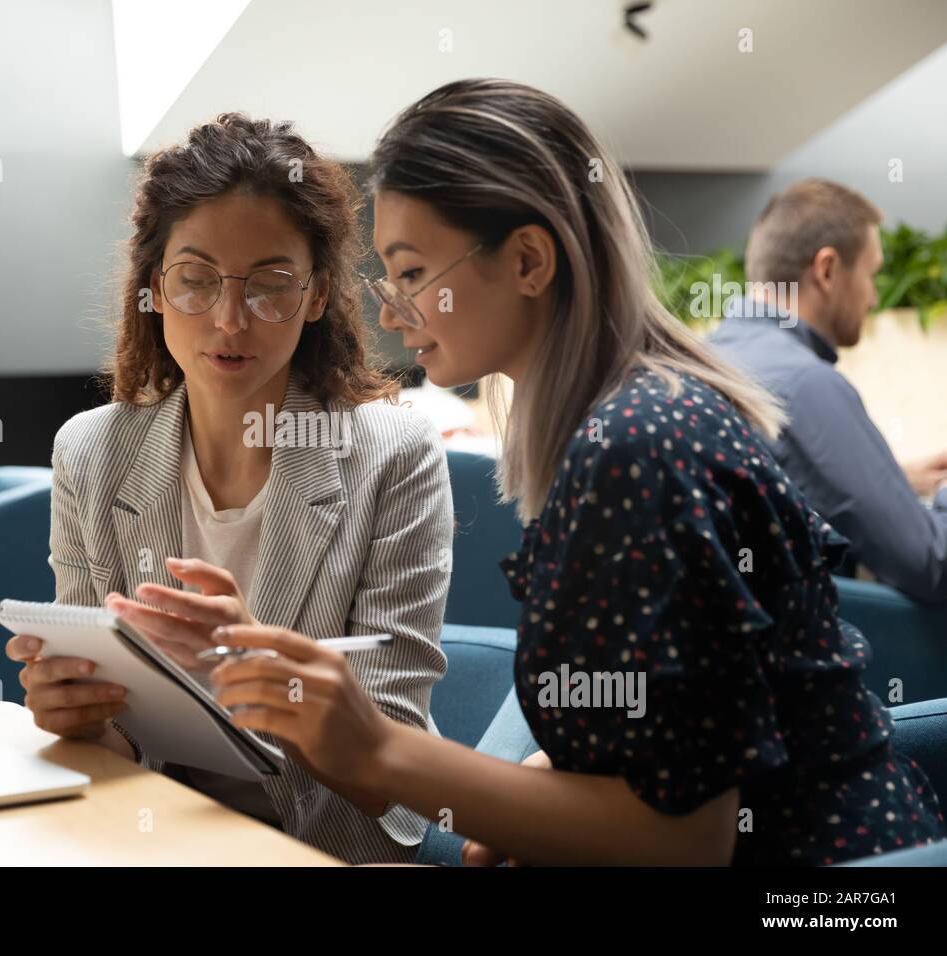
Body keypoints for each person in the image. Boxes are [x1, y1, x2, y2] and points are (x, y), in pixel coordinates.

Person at [207, 80, 946, 865]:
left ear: (528, 259)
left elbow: (687, 841)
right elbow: (697, 715)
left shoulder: (634, 452)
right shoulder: (644, 417)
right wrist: (545, 793)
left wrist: (376, 750)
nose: (392, 313)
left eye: (413, 272)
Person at [3, 114, 453, 864]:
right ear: (155, 289)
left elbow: (392, 765)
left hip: (327, 844)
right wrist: (81, 714)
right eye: (197, 279)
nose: (229, 318)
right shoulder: (92, 450)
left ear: (315, 297)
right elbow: (115, 736)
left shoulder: (393, 454)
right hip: (151, 838)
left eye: (271, 284)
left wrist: (254, 672)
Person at [707, 180, 947, 604]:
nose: (874, 297)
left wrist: (893, 482)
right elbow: (930, 563)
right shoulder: (804, 383)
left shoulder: (713, 357)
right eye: (872, 274)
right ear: (828, 269)